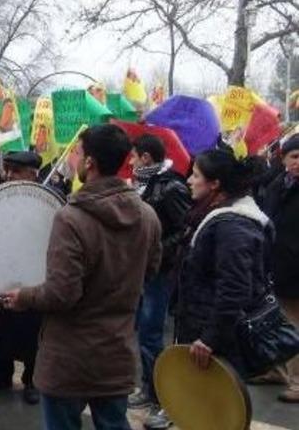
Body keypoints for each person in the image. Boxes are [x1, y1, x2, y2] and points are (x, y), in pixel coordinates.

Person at [3, 124, 162, 430]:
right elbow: (151, 270)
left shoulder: (71, 217)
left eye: (76, 151)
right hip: (117, 354)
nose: (72, 158)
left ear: (90, 162)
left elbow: (62, 294)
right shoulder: (147, 216)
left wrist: (24, 296)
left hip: (69, 358)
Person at [176, 150, 274, 376]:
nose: (189, 181)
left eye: (196, 175)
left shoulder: (233, 225)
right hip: (202, 329)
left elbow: (235, 288)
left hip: (216, 342)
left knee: (211, 405)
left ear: (215, 184)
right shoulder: (216, 215)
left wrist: (210, 338)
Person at [127, 135, 192, 429]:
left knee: (153, 334)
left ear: (147, 158)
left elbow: (184, 229)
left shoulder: (171, 187)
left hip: (160, 271)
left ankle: (159, 396)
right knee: (143, 332)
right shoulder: (140, 183)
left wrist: (157, 250)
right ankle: (147, 387)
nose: (129, 161)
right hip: (140, 270)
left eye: (133, 156)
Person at [0, 151, 46, 406]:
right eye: (8, 170)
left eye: (16, 171)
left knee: (31, 333)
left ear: (32, 174)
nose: (9, 176)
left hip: (33, 279)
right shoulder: (1, 196)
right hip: (4, 273)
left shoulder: (47, 198)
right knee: (3, 328)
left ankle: (31, 380)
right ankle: (2, 374)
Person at [259, 134, 299, 403]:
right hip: (277, 263)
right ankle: (277, 370)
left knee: (296, 324)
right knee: (277, 320)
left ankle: (297, 382)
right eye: (295, 156)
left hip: (296, 267)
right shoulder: (276, 185)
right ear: (283, 158)